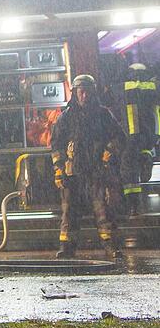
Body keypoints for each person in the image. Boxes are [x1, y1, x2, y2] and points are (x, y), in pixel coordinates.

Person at [50, 74, 126, 260]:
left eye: (87, 92)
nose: (84, 96)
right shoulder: (66, 117)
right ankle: (67, 248)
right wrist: (59, 170)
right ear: (75, 93)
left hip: (97, 171)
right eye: (81, 92)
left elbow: (119, 137)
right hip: (72, 172)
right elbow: (56, 145)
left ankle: (111, 246)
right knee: (69, 212)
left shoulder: (103, 115)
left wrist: (109, 152)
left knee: (103, 211)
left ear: (93, 92)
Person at [120, 63, 158, 216]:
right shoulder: (153, 87)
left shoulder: (126, 86)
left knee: (128, 168)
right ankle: (145, 197)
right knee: (144, 161)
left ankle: (133, 204)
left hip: (131, 135)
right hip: (150, 134)